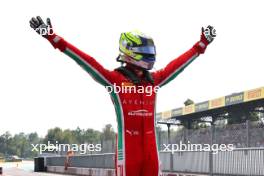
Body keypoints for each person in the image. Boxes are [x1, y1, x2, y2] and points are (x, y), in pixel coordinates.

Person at [29, 16, 216, 176]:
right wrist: (54, 39)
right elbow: (87, 62)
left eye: (151, 52)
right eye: (146, 52)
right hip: (128, 152)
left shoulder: (154, 80)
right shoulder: (114, 80)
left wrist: (201, 45)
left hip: (152, 152)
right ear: (130, 52)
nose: (150, 56)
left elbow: (177, 65)